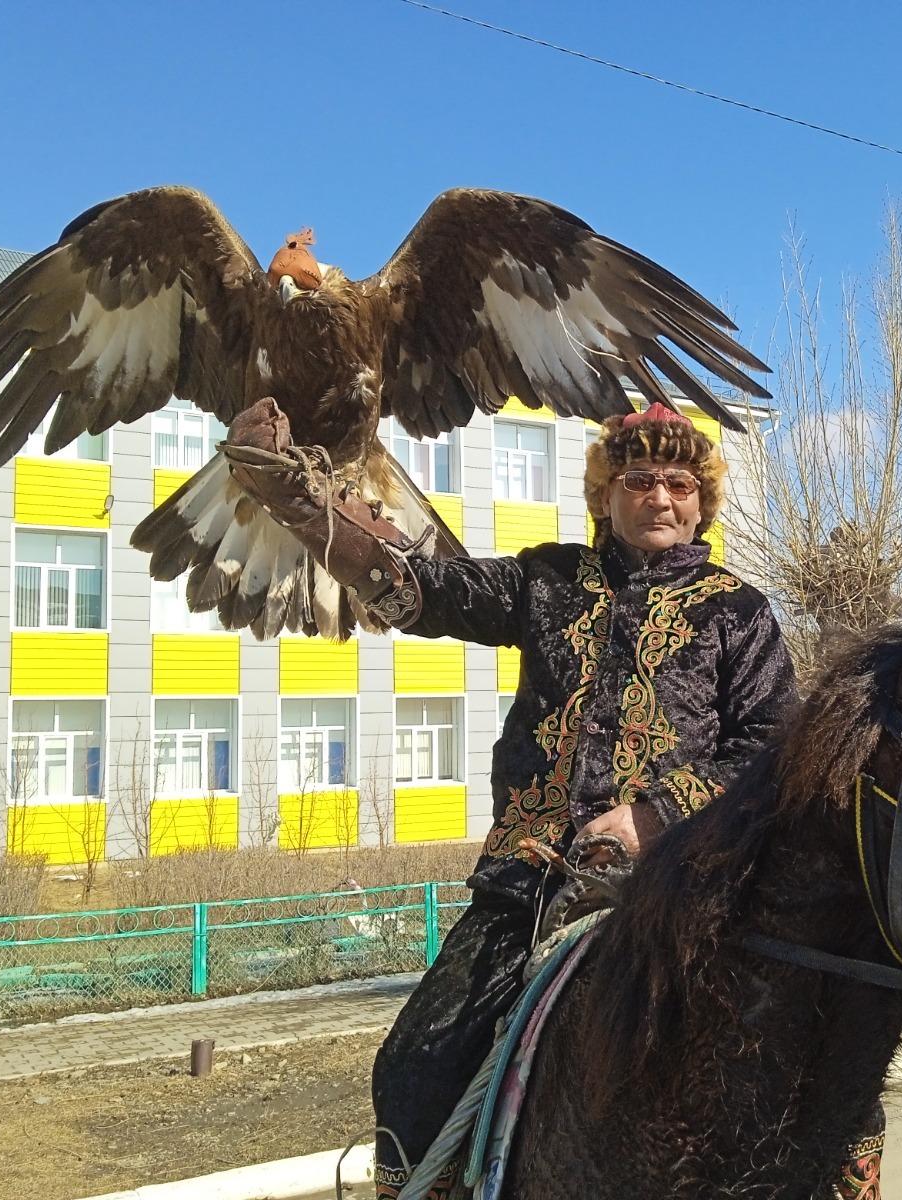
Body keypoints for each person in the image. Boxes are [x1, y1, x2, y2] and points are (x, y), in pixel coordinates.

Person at [224, 399, 802, 1197]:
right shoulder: (547, 580)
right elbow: (429, 589)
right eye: (640, 480)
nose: (660, 499)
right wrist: (305, 507)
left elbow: (773, 746)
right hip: (530, 883)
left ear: (702, 500)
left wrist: (656, 815)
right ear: (607, 493)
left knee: (808, 1079)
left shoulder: (738, 613)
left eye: (678, 483)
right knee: (414, 1065)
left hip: (688, 887)